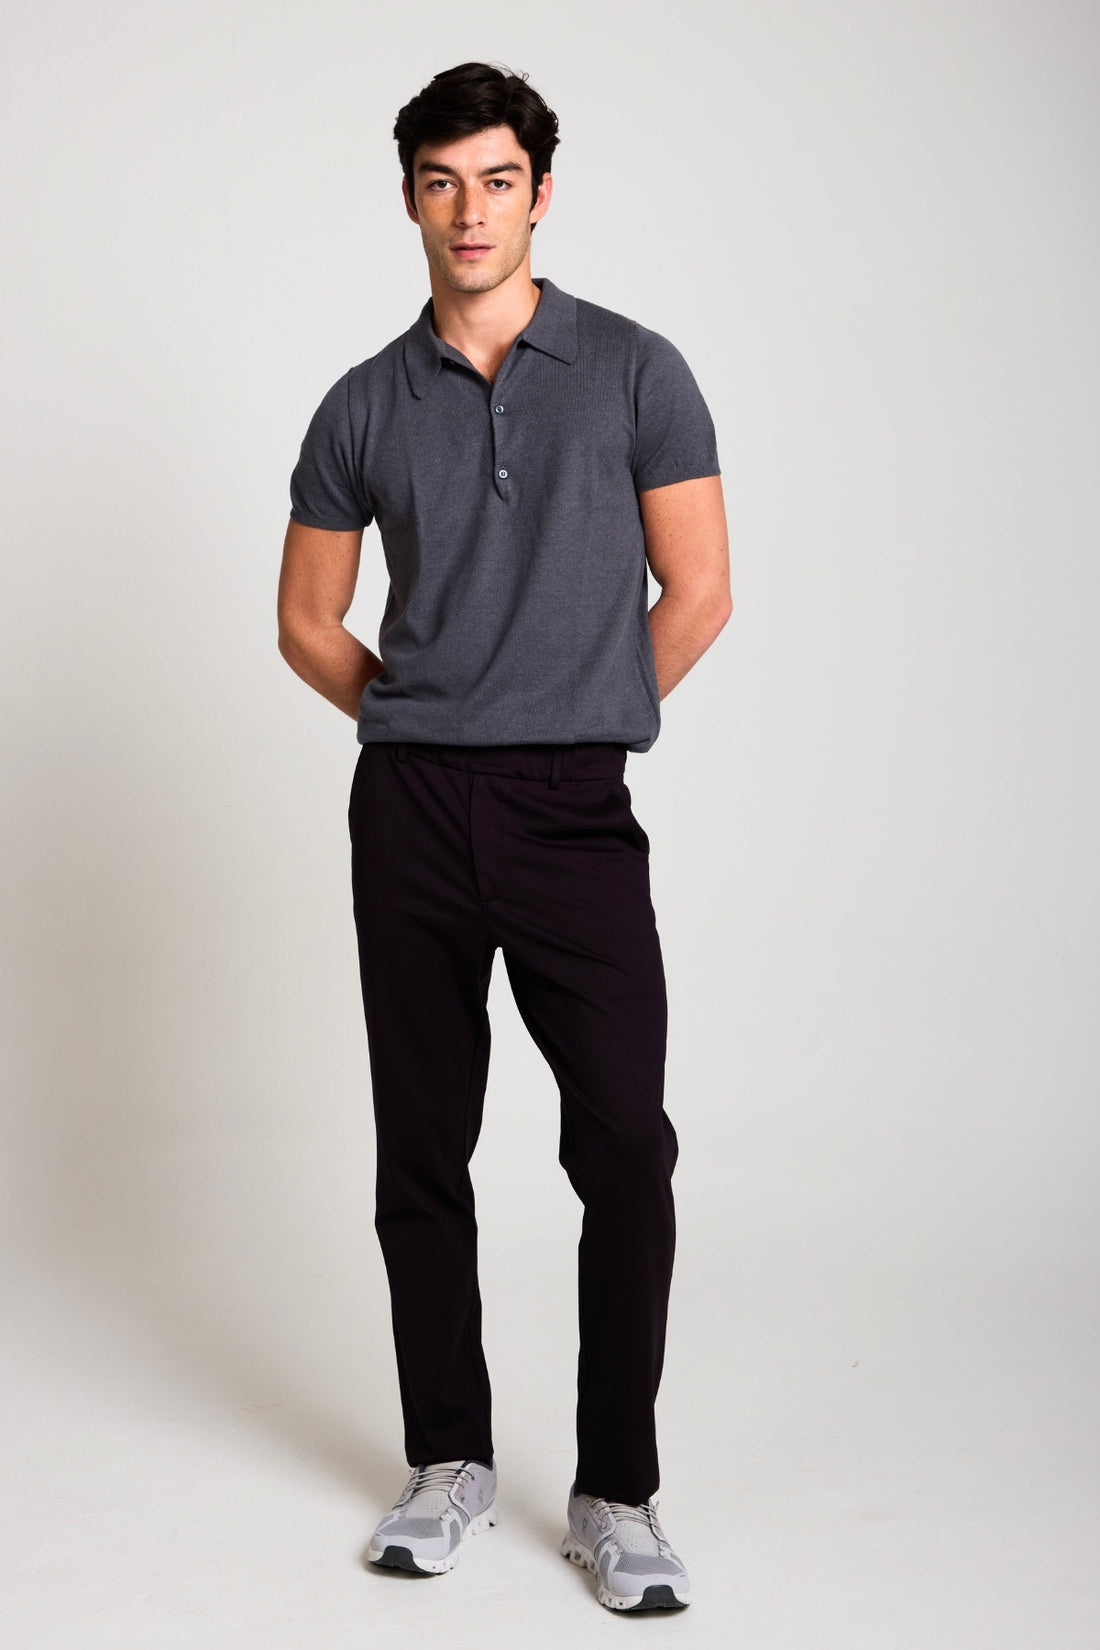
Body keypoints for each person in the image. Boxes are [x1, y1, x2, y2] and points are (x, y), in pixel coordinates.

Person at [277, 61, 731, 1614]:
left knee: (626, 1143)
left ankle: (617, 1487)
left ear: (541, 192)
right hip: (410, 807)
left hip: (572, 807)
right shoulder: (361, 402)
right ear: (410, 198)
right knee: (423, 1143)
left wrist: (574, 708)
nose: (469, 211)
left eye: (496, 180)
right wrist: (425, 719)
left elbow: (701, 591)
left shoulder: (639, 372)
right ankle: (448, 1457)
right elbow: (307, 619)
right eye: (440, 182)